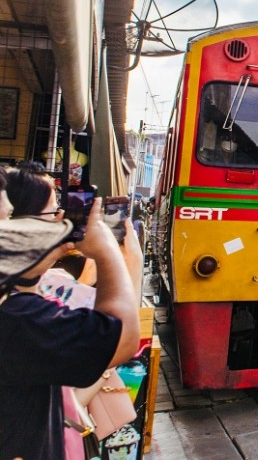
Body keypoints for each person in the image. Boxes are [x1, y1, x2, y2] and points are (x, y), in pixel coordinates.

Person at [0, 169, 140, 460]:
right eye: (53, 214)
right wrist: (108, 251)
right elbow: (123, 337)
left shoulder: (19, 301)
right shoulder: (18, 319)